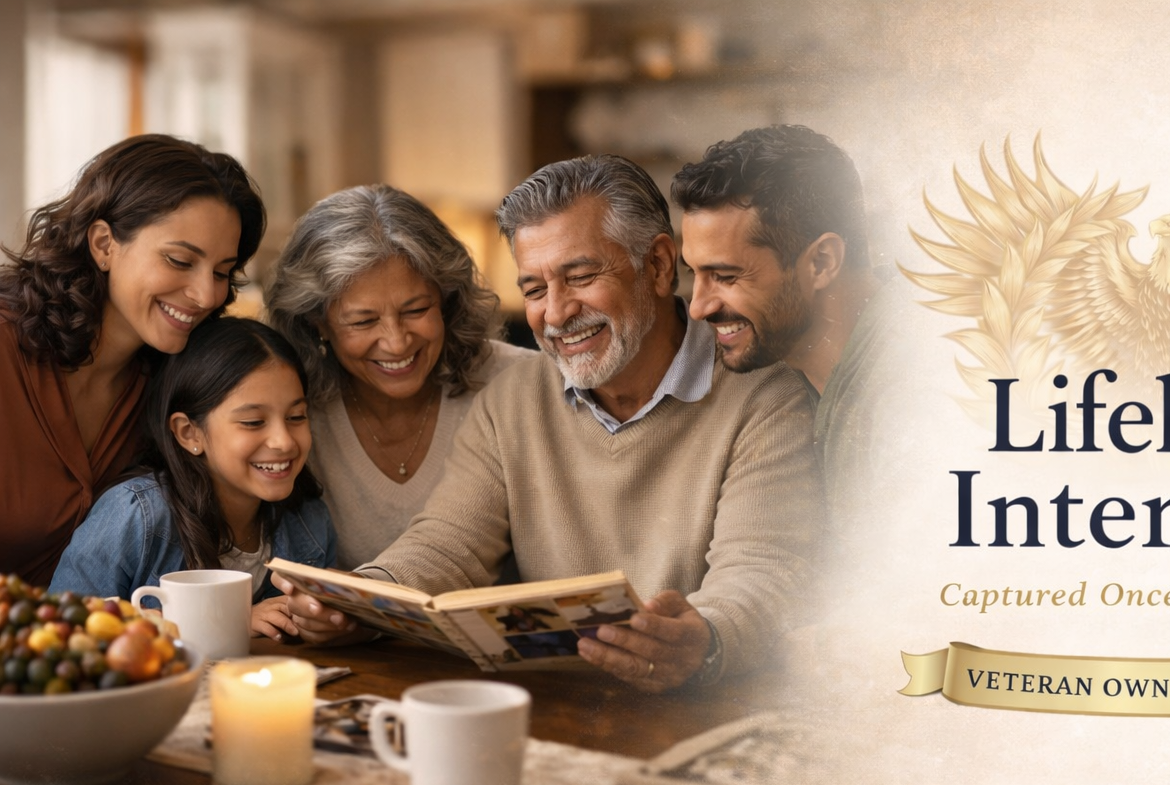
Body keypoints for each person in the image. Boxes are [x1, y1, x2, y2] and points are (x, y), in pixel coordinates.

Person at [279, 155, 820, 691]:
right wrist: (356, 597)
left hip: (704, 702)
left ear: (657, 265)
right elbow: (448, 544)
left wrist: (706, 636)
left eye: (580, 277)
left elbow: (764, 568)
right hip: (560, 704)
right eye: (535, 289)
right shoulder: (511, 398)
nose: (557, 314)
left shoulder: (764, 394)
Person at [0, 134, 266, 585]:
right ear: (104, 244)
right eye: (180, 260)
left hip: (93, 645)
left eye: (222, 272)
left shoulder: (169, 381)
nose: (206, 295)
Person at [264, 184, 524, 569]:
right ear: (317, 322)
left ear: (447, 299)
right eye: (364, 321)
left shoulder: (519, 384)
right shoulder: (289, 413)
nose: (397, 342)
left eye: (416, 310)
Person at [672, 124, 907, 520]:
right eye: (695, 274)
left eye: (726, 277)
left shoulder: (915, 393)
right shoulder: (781, 359)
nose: (699, 307)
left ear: (821, 262)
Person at [51, 317, 336, 641]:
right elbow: (61, 633)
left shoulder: (310, 522)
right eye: (254, 421)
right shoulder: (135, 516)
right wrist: (231, 621)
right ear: (189, 433)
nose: (284, 441)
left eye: (296, 416)